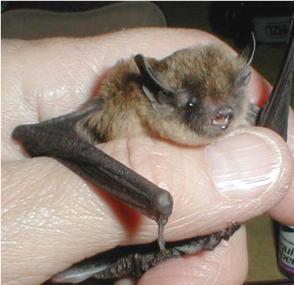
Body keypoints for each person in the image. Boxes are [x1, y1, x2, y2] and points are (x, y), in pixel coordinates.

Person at [2, 29, 294, 285]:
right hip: (127, 202)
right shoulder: (119, 114)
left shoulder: (247, 115)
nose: (222, 112)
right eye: (191, 103)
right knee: (160, 205)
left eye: (230, 97)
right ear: (159, 98)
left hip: (166, 216)